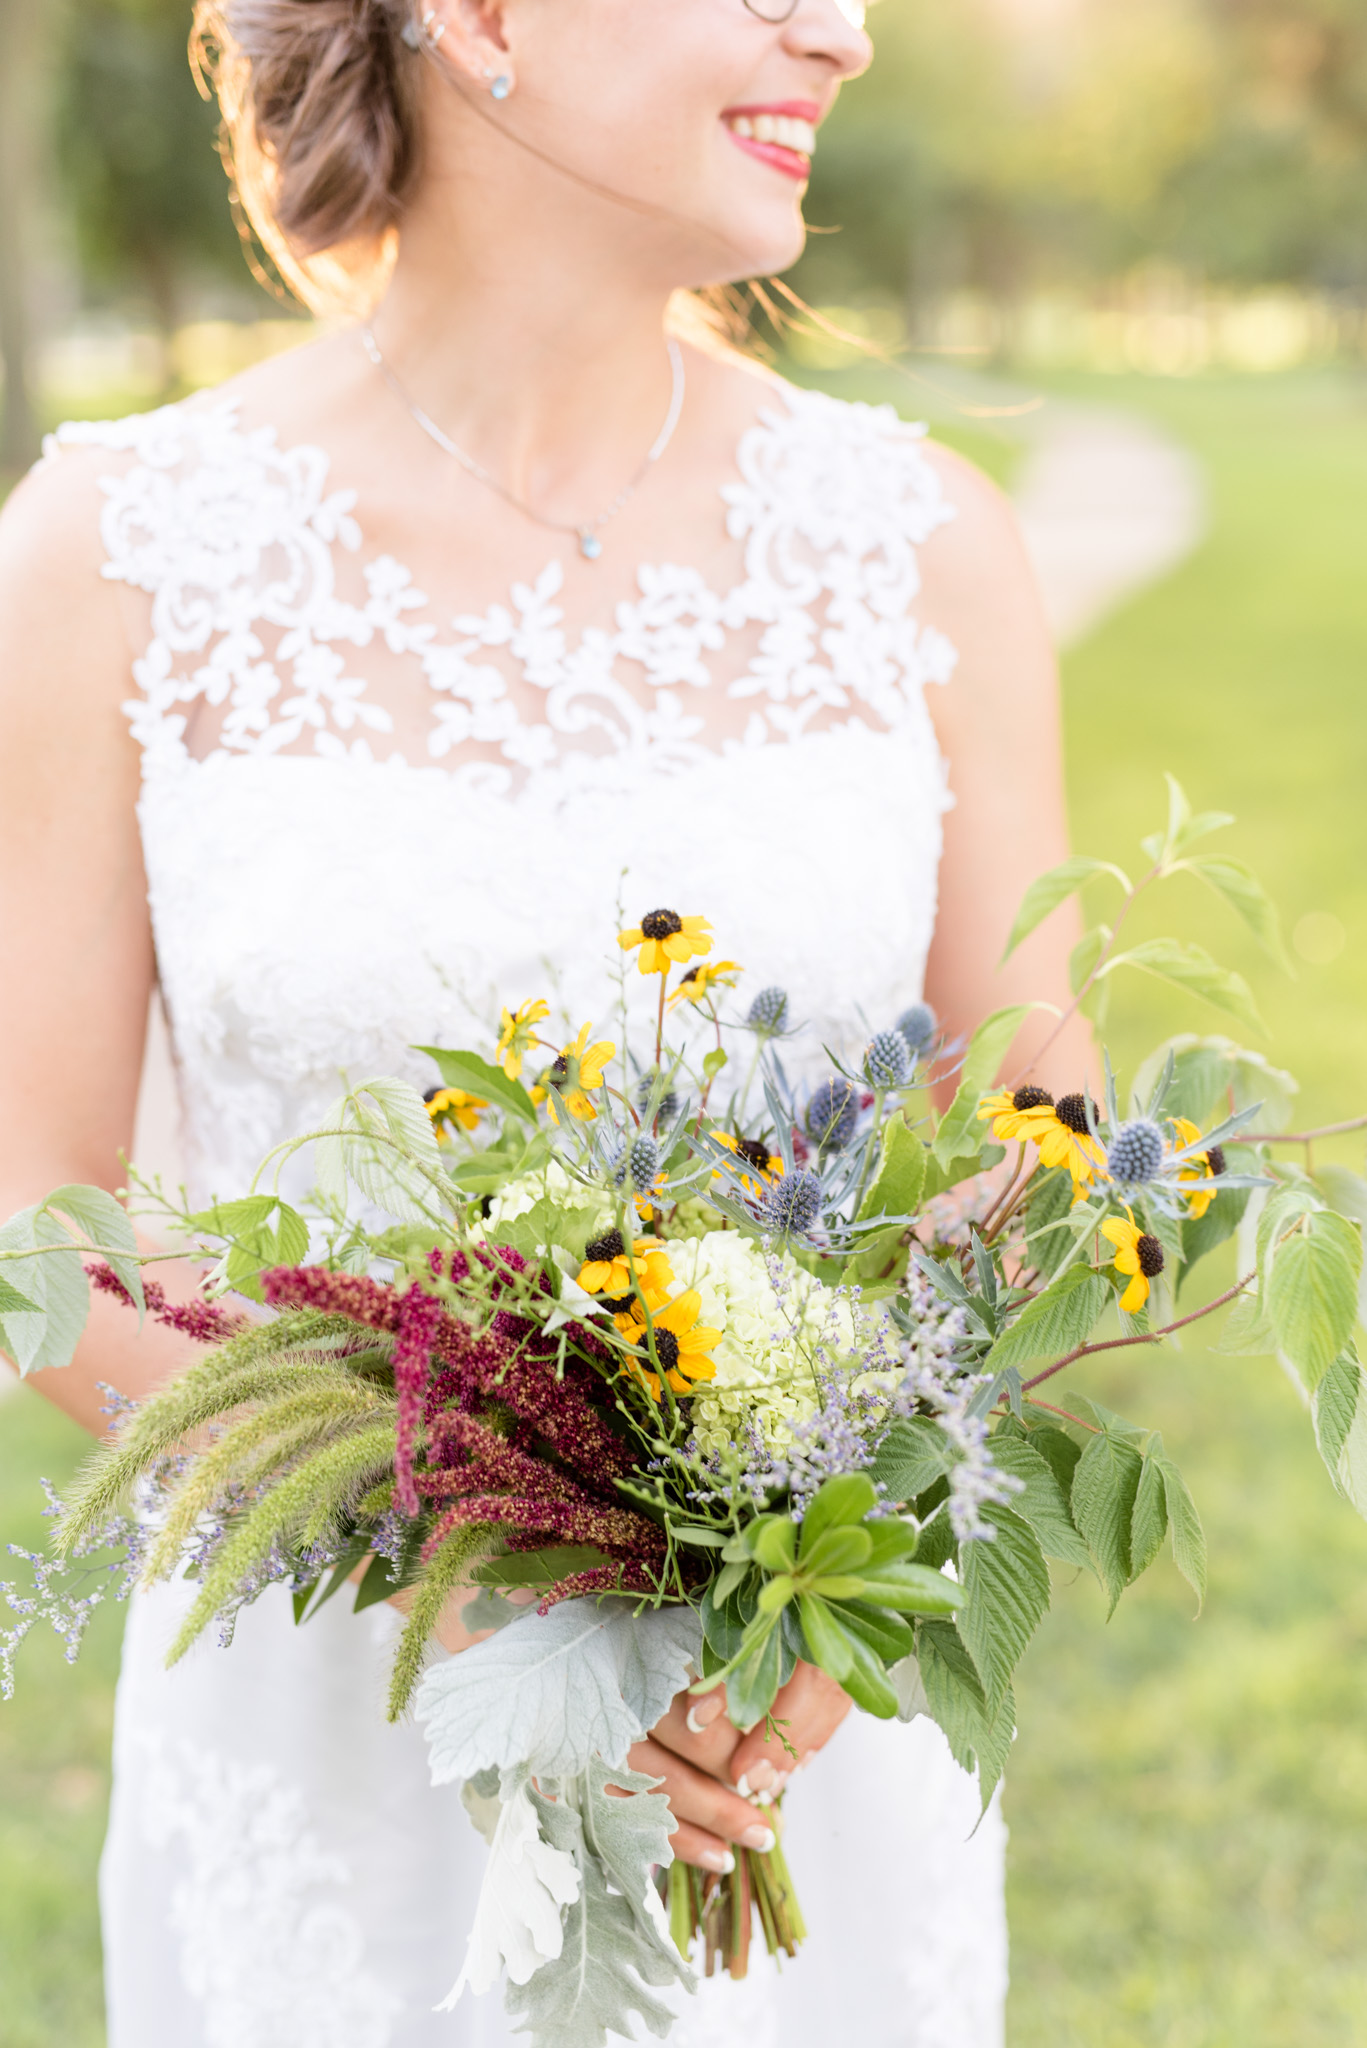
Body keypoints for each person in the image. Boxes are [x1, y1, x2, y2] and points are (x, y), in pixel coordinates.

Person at [0, 0, 1091, 2040]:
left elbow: (1038, 1124)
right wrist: (472, 1570)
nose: (840, 35)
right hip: (342, 1734)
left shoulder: (921, 542)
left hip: (790, 1761)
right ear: (482, 18)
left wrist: (831, 1585)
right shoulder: (113, 558)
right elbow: (34, 1211)